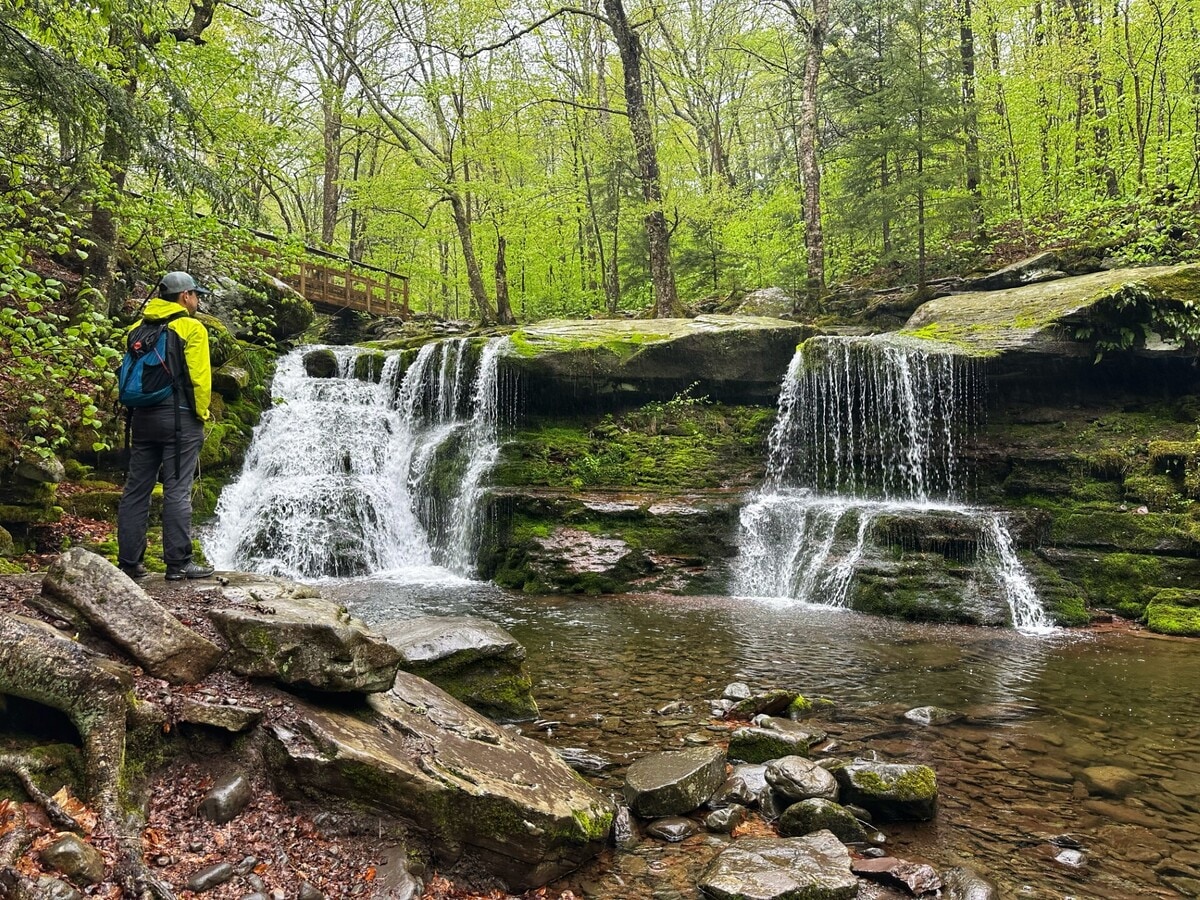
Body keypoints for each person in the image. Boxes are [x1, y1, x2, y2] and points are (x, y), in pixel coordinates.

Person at [116, 271, 216, 581]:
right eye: (196, 295)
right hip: (179, 419)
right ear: (184, 296)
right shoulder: (191, 328)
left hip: (142, 418)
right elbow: (200, 379)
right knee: (177, 489)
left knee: (136, 490)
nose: (197, 300)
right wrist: (201, 415)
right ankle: (178, 563)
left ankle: (130, 564)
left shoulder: (135, 329)